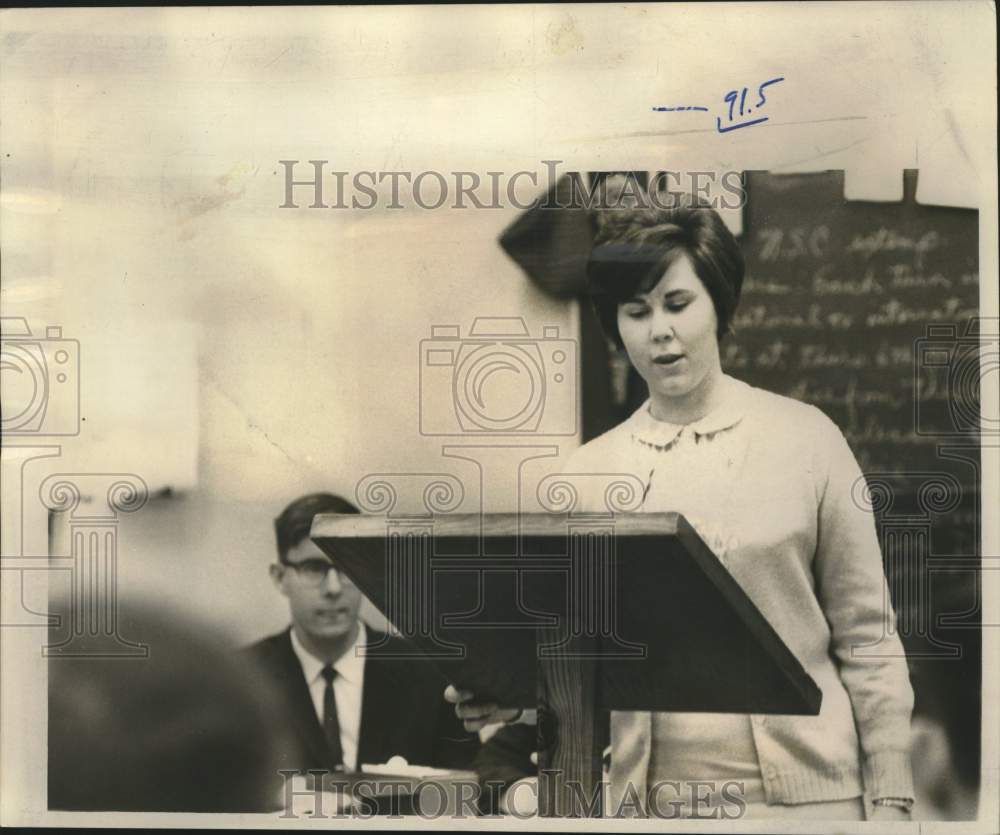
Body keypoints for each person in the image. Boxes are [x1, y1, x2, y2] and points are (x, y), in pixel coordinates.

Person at [450, 202, 915, 820]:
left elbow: (868, 636)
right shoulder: (583, 477)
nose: (659, 331)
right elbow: (575, 656)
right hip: (647, 807)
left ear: (718, 304)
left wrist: (892, 797)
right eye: (636, 313)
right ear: (616, 328)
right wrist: (512, 697)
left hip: (813, 806)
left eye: (677, 303)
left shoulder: (808, 440)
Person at [243, 492, 479, 778]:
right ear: (280, 577)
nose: (333, 588)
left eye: (346, 567)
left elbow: (467, 788)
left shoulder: (431, 671)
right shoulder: (241, 678)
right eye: (313, 568)